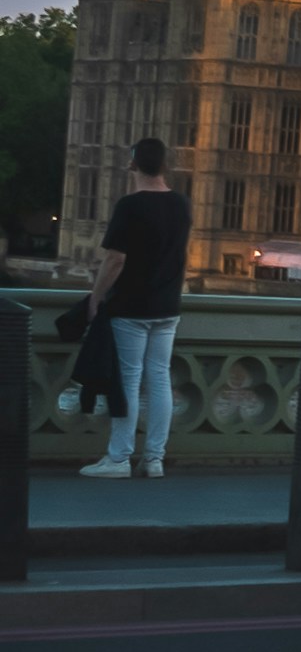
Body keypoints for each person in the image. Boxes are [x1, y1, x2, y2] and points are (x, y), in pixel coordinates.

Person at [77, 135, 191, 479]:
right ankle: (154, 458)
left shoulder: (130, 205)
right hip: (168, 307)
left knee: (127, 381)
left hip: (132, 308)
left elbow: (115, 259)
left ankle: (119, 458)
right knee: (159, 380)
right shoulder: (182, 204)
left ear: (132, 165)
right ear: (165, 166)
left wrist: (95, 298)